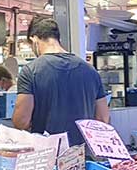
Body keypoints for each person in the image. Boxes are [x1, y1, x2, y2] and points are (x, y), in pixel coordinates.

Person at [12, 17, 109, 146]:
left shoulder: (30, 71)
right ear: (57, 38)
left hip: (46, 154)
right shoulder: (90, 70)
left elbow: (22, 121)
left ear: (34, 39)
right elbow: (102, 118)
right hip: (82, 153)